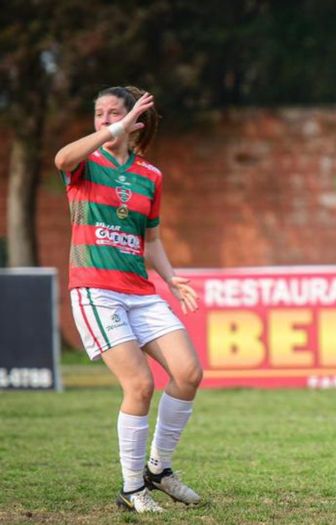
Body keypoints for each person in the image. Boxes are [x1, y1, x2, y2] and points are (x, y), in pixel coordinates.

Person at [54, 86, 204, 512]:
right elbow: (61, 159)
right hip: (96, 290)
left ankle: (159, 469)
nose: (104, 120)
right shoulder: (85, 163)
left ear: (137, 122)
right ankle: (132, 487)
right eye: (98, 113)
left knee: (189, 373)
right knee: (139, 385)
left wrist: (173, 280)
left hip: (139, 291)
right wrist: (110, 131)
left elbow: (151, 239)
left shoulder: (150, 175)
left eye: (114, 113)